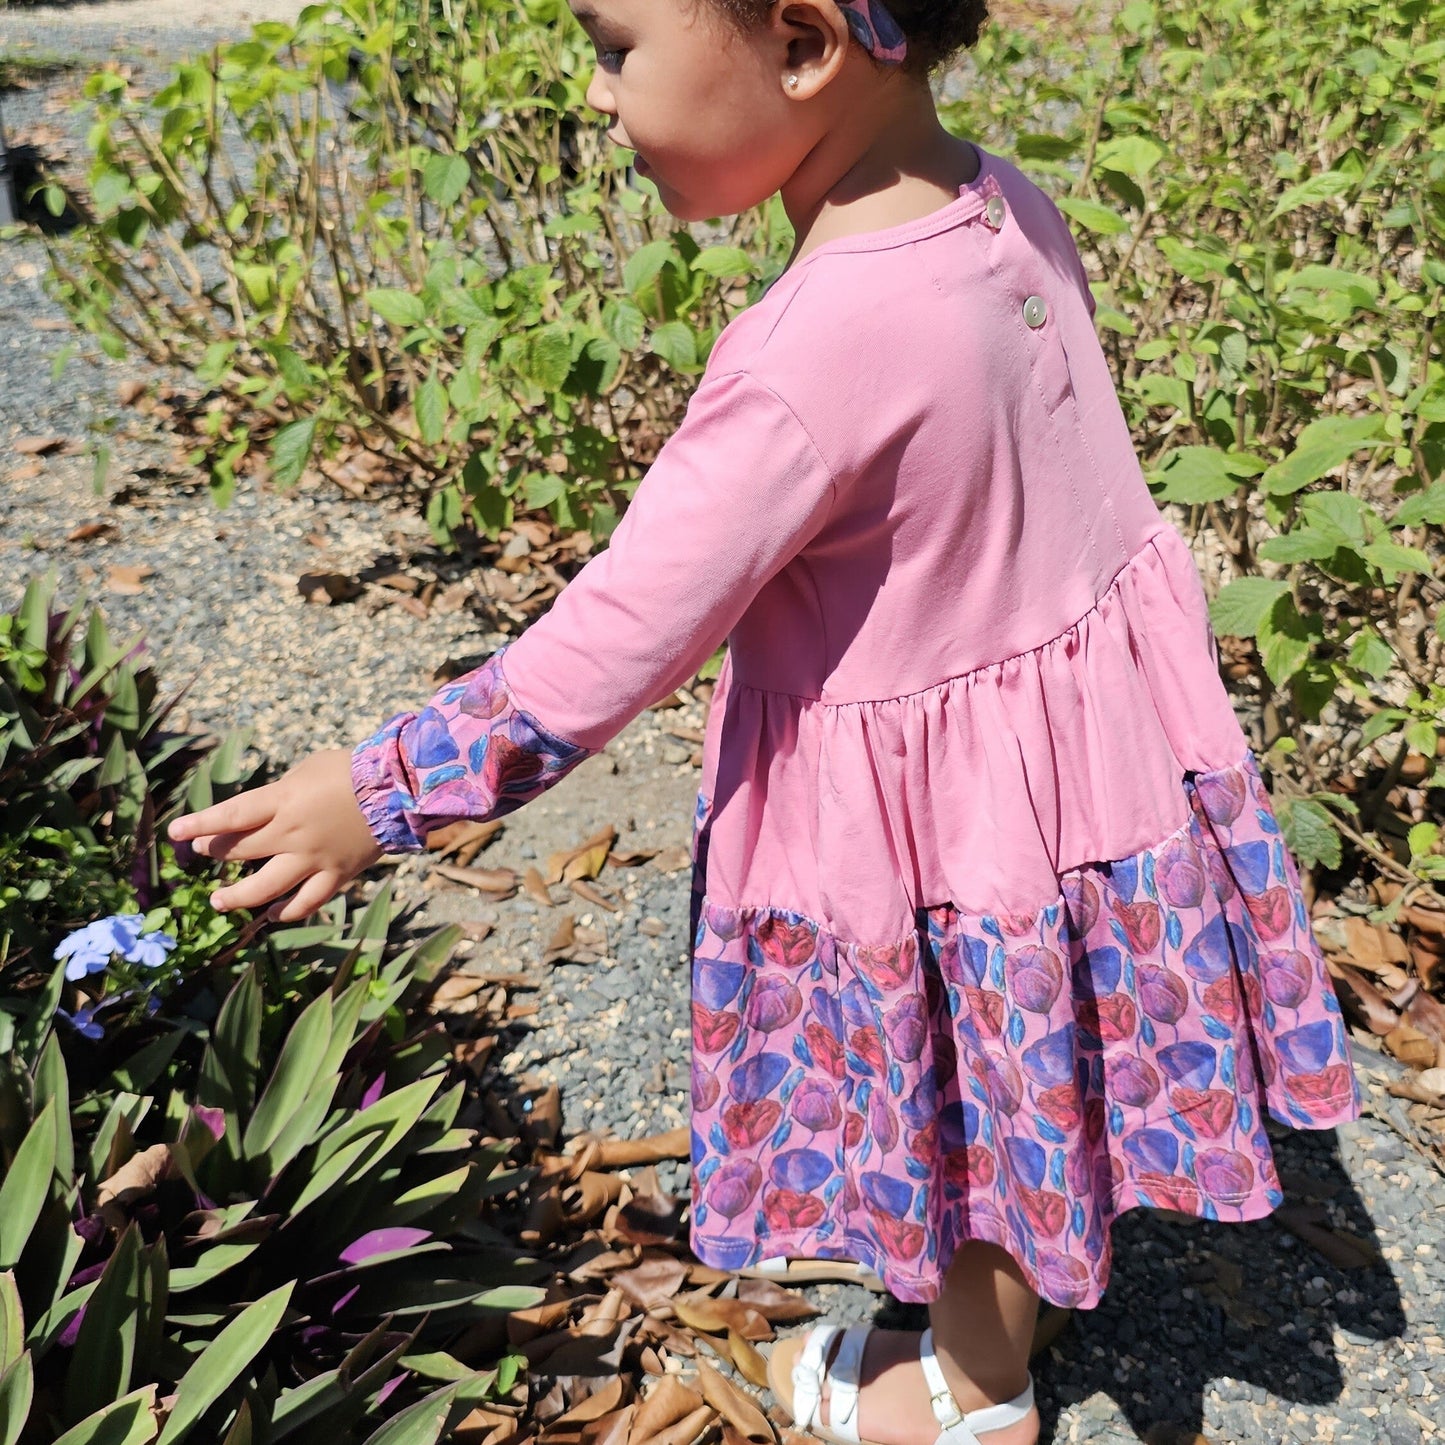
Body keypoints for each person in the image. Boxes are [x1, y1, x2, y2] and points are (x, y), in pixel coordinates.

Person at [169, 1, 1362, 1441]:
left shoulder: (807, 351)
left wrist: (381, 794)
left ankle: (972, 1392)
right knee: (1021, 1046)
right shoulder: (1002, 203)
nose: (597, 94)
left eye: (614, 47)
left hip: (944, 829)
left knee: (975, 1073)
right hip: (1080, 777)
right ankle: (1019, 1292)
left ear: (803, 44)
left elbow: (615, 637)